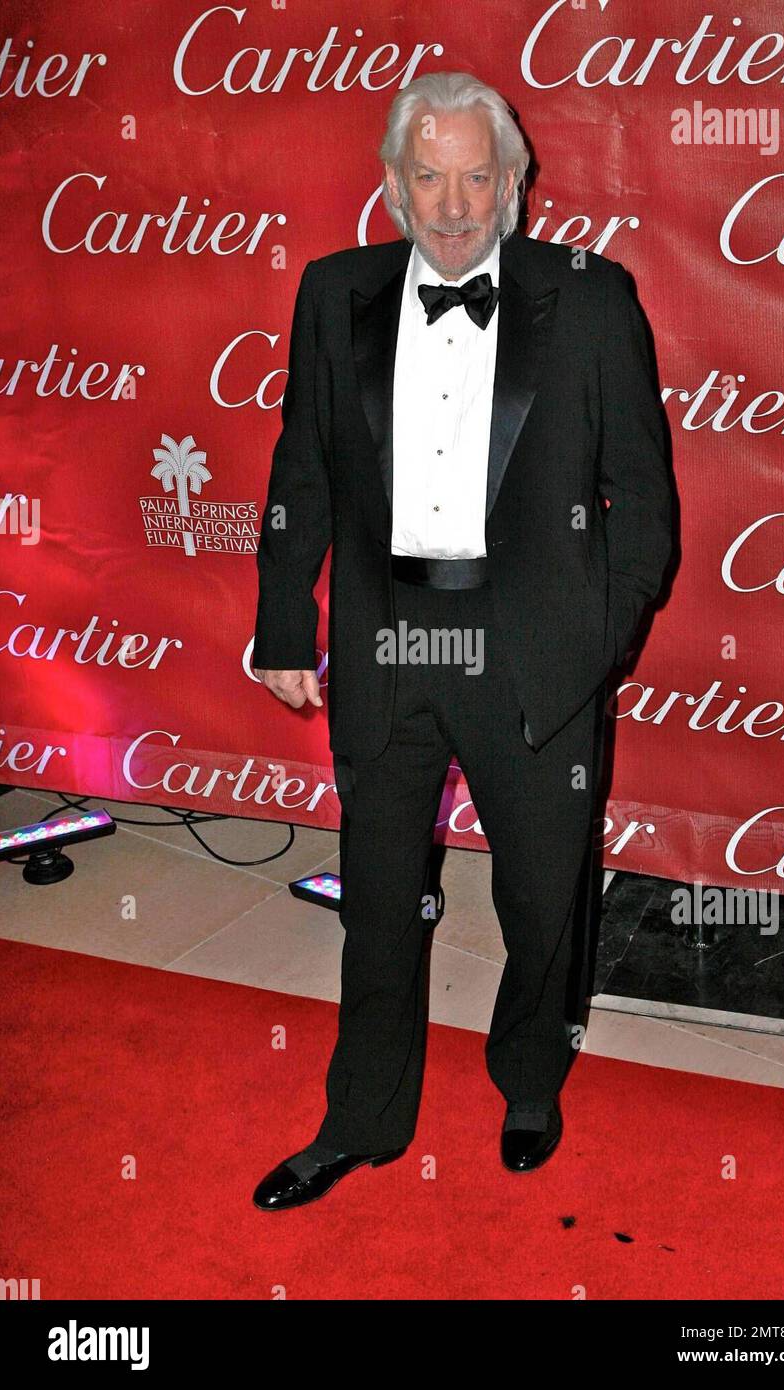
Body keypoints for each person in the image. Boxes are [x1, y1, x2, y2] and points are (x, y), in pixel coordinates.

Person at [250, 70, 673, 1211]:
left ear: (513, 186)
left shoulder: (589, 300)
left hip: (533, 646)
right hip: (390, 644)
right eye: (428, 175)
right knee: (381, 897)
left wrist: (598, 637)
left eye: (476, 176)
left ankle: (530, 1077)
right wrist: (286, 614)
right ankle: (361, 1118)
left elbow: (644, 494)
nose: (451, 203)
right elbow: (302, 470)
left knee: (543, 894)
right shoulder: (334, 292)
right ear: (394, 183)